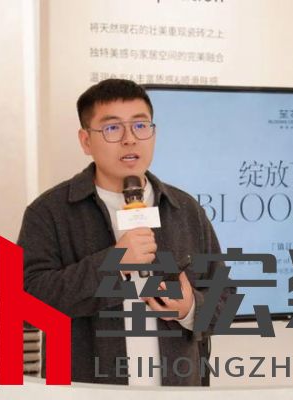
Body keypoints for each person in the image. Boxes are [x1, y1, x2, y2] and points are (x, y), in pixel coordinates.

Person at [17, 79, 232, 386]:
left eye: (141, 126)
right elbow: (25, 307)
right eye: (112, 128)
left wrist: (190, 308)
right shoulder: (50, 212)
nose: (130, 139)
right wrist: (113, 263)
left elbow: (225, 300)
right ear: (86, 141)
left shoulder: (185, 209)